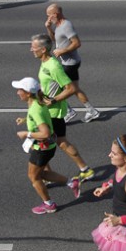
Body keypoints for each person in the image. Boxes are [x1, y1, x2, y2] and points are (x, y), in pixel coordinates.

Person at [31, 33, 95, 183]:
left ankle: (46, 175)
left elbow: (71, 88)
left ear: (43, 49)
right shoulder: (45, 62)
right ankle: (85, 170)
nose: (31, 49)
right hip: (48, 111)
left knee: (40, 143)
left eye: (34, 47)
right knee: (60, 142)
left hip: (52, 113)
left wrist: (53, 100)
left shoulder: (53, 66)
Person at [12, 77, 80, 215]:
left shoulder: (35, 109)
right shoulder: (38, 102)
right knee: (41, 173)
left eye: (20, 90)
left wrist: (26, 134)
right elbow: (42, 118)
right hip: (46, 147)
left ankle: (49, 204)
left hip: (42, 149)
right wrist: (26, 119)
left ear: (28, 93)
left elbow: (45, 133)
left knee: (34, 177)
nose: (17, 92)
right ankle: (71, 183)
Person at [44, 4, 101, 124]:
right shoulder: (58, 25)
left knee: (56, 89)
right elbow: (55, 39)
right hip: (71, 62)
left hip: (69, 64)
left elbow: (77, 43)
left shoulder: (66, 25)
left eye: (49, 15)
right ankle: (92, 111)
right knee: (75, 89)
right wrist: (48, 28)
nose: (48, 18)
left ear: (55, 14)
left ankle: (69, 111)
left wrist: (62, 51)